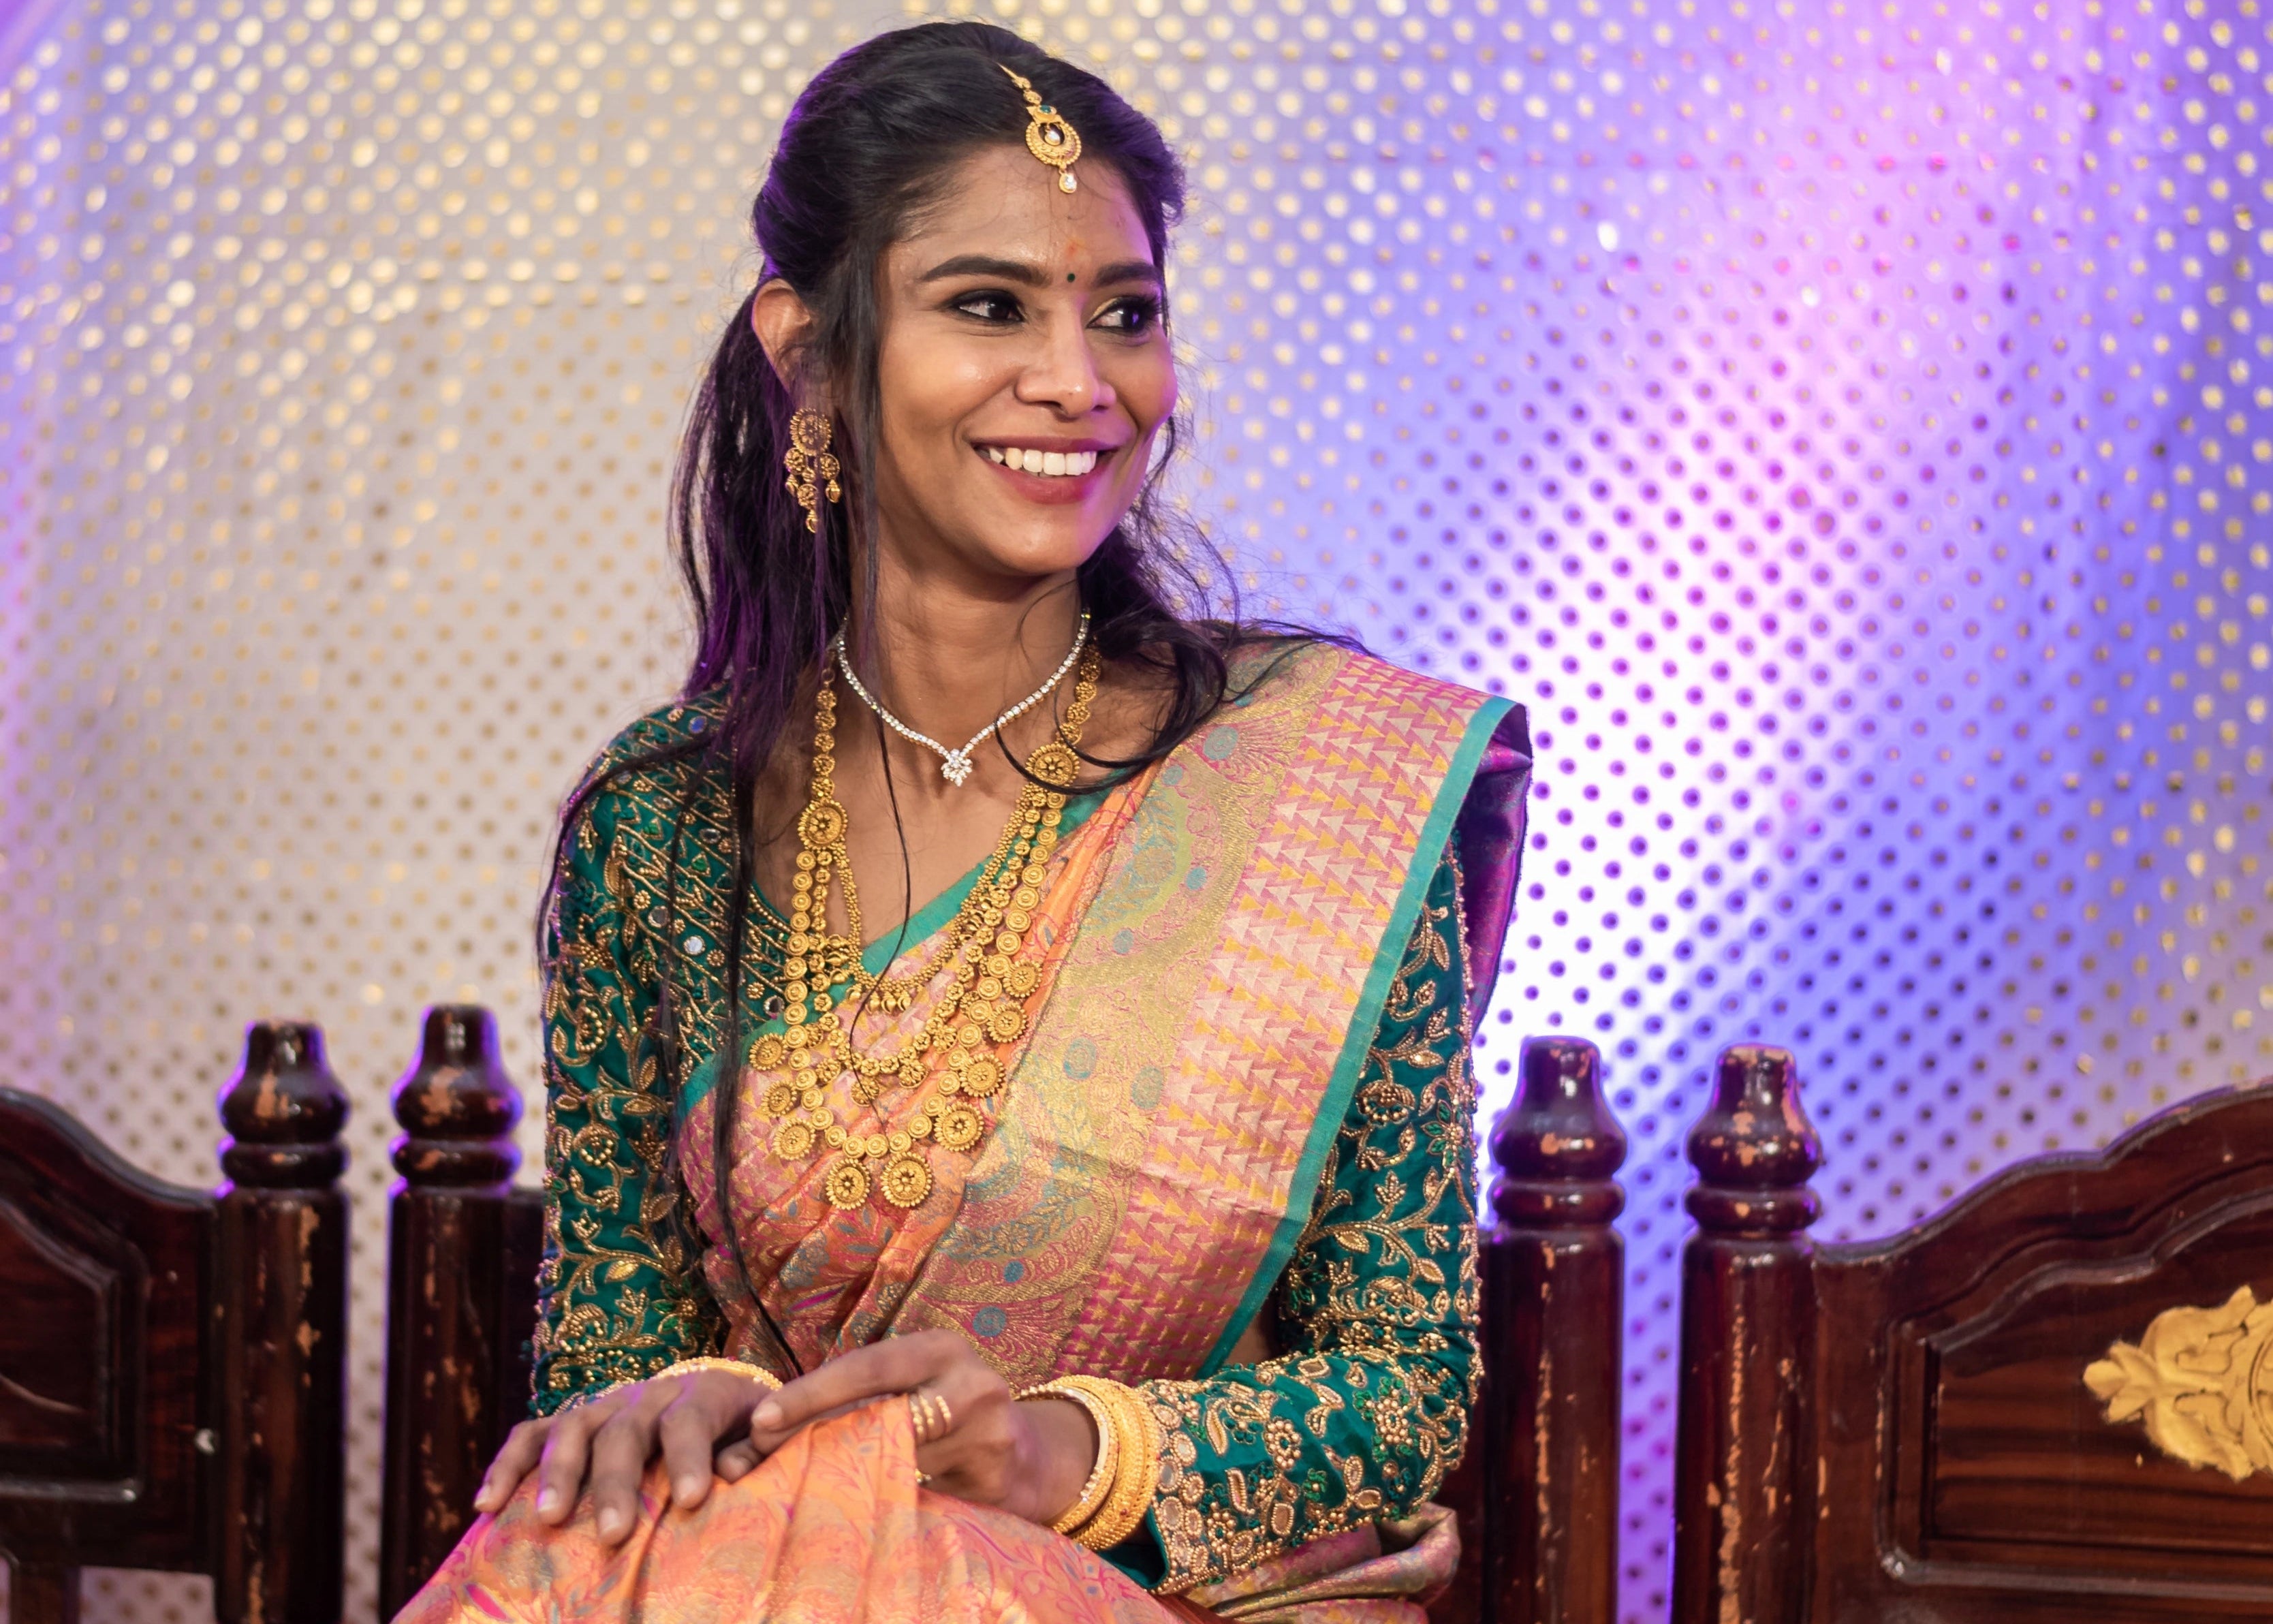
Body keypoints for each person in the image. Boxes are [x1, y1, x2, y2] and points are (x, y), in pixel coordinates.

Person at [399, 21, 1530, 1624]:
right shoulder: (666, 828)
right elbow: (608, 1351)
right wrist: (685, 1408)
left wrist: (1048, 1453)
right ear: (810, 354)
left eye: (1123, 314)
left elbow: (1403, 1385)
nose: (1079, 383)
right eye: (988, 304)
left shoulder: (1317, 788)